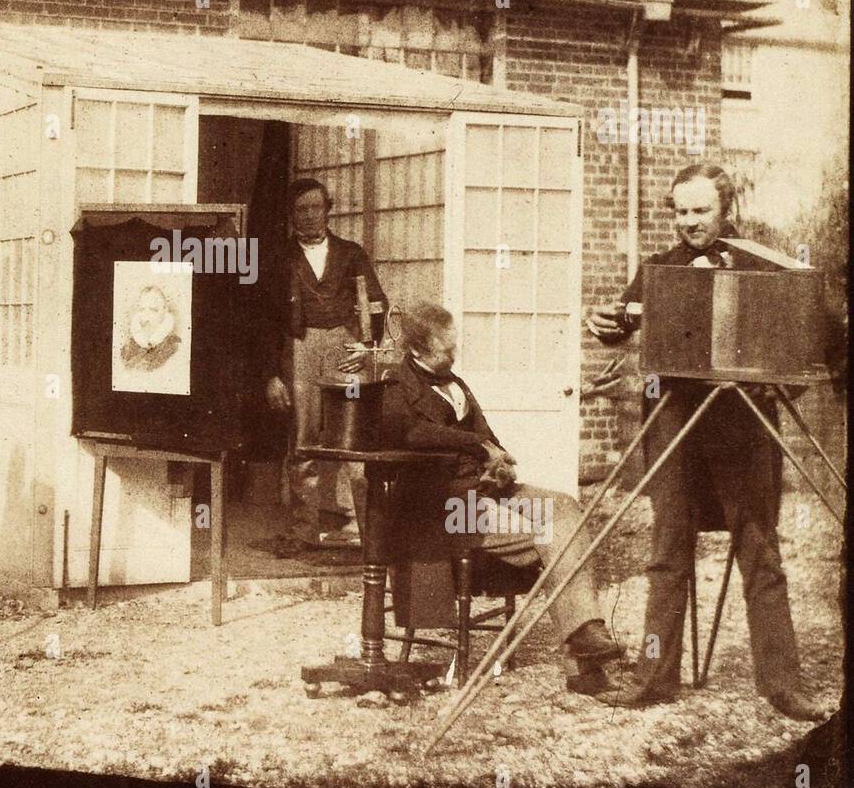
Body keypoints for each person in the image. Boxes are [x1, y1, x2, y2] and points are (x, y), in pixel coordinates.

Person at [586, 163, 828, 721]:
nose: (690, 222)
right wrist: (605, 324)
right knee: (667, 552)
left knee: (760, 552)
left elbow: (808, 337)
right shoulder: (658, 269)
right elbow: (621, 323)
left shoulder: (763, 265)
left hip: (741, 428)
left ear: (725, 211)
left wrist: (776, 382)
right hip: (673, 422)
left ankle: (783, 686)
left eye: (701, 211)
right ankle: (654, 679)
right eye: (681, 211)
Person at [389, 302, 624, 692]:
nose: (454, 355)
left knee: (564, 507)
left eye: (454, 345)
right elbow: (414, 434)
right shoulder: (397, 388)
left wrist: (499, 462)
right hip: (446, 508)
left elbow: (489, 438)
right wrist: (479, 446)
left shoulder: (458, 385)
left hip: (484, 491)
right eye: (444, 349)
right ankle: (582, 661)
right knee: (552, 537)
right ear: (416, 349)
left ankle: (586, 636)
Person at [262, 178, 385, 547]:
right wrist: (272, 375)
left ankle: (366, 531)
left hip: (346, 348)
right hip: (299, 349)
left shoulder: (352, 253)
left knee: (357, 440)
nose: (311, 215)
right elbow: (266, 320)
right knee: (302, 441)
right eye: (302, 209)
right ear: (291, 214)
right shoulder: (278, 257)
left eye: (317, 207)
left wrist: (366, 347)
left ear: (328, 210)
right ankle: (304, 531)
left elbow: (376, 303)